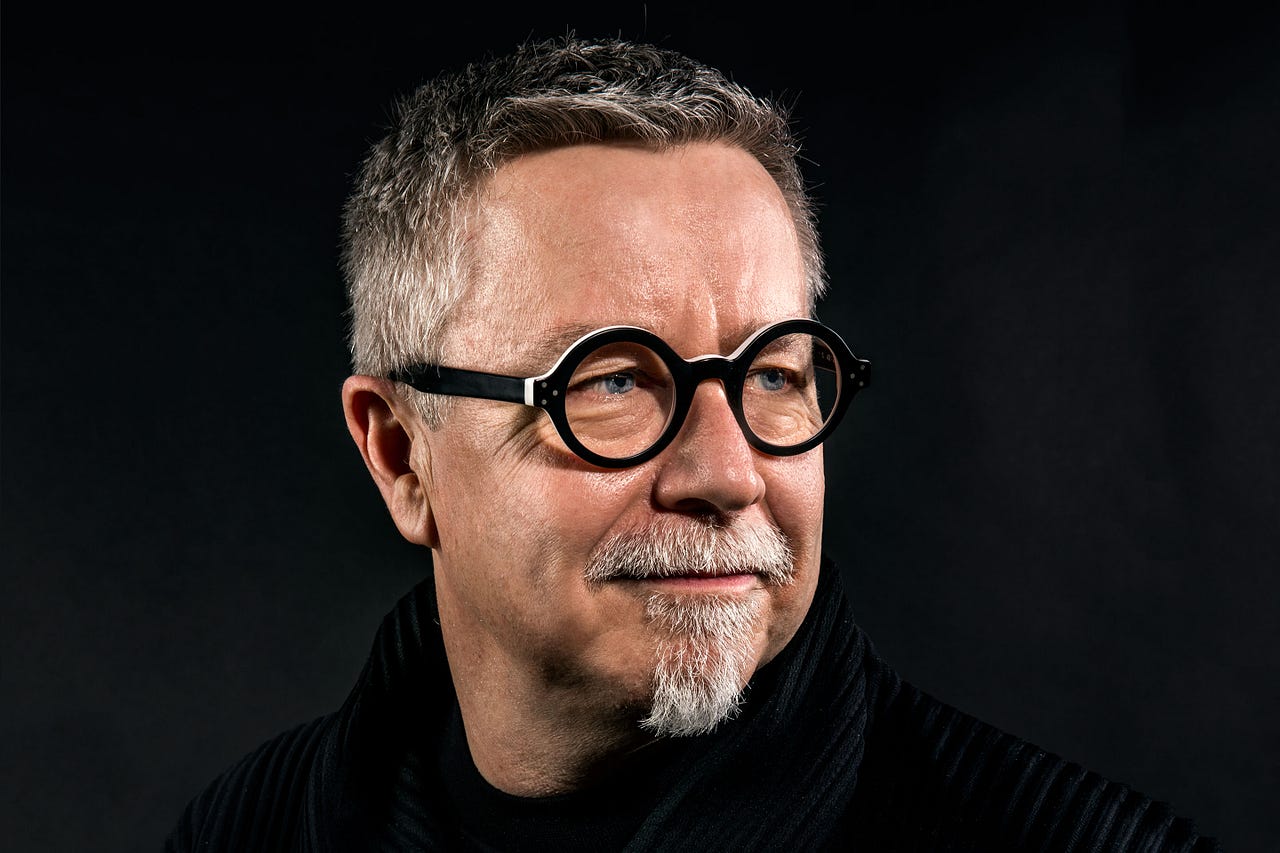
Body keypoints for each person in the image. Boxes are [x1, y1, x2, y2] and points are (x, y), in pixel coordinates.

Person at [167, 38, 1218, 851]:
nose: (727, 473)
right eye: (614, 381)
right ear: (401, 454)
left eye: (772, 374)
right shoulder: (249, 832)